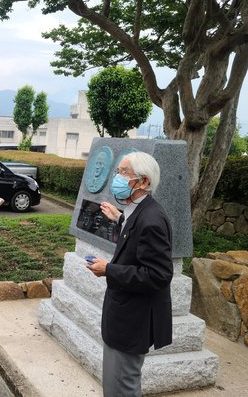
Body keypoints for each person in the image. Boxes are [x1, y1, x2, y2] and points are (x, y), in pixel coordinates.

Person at [87, 151, 173, 397]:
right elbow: (137, 239)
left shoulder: (152, 219)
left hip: (131, 323)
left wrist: (108, 270)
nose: (118, 177)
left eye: (124, 172)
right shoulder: (137, 211)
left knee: (121, 387)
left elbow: (157, 275)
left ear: (143, 182)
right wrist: (120, 219)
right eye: (118, 171)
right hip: (124, 318)